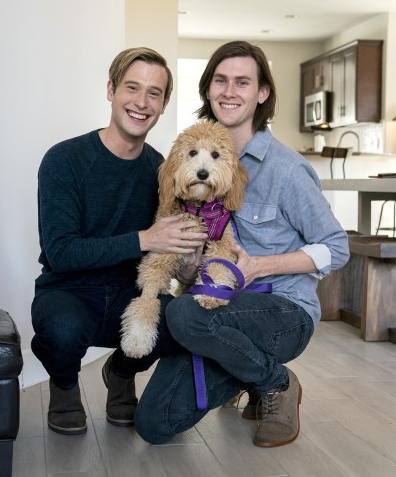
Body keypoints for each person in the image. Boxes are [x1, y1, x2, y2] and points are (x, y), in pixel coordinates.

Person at [134, 40, 350, 447]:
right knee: (154, 423)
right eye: (220, 80)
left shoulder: (286, 170)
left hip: (282, 312)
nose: (229, 91)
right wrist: (185, 263)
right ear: (208, 89)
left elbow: (336, 246)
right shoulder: (191, 159)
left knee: (183, 314)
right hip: (214, 313)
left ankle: (276, 382)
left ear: (261, 93)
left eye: (242, 82)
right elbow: (185, 259)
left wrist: (260, 267)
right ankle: (244, 372)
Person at [31, 47, 207, 436]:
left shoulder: (164, 170)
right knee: (60, 332)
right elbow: (60, 253)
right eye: (132, 87)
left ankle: (121, 372)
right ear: (111, 90)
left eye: (154, 93)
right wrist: (145, 238)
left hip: (132, 295)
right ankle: (63, 386)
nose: (142, 102)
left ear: (164, 105)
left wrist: (190, 264)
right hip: (69, 291)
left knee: (180, 319)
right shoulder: (64, 160)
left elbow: (167, 248)